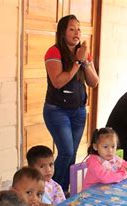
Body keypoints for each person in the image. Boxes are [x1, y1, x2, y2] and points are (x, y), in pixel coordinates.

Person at [43, 14, 99, 194]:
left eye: (79, 29)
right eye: (71, 29)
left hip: (78, 111)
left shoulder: (83, 53)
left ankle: (64, 191)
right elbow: (58, 82)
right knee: (66, 151)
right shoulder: (54, 52)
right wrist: (76, 62)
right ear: (63, 32)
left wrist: (85, 62)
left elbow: (94, 81)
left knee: (73, 153)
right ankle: (53, 192)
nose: (77, 33)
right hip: (57, 111)